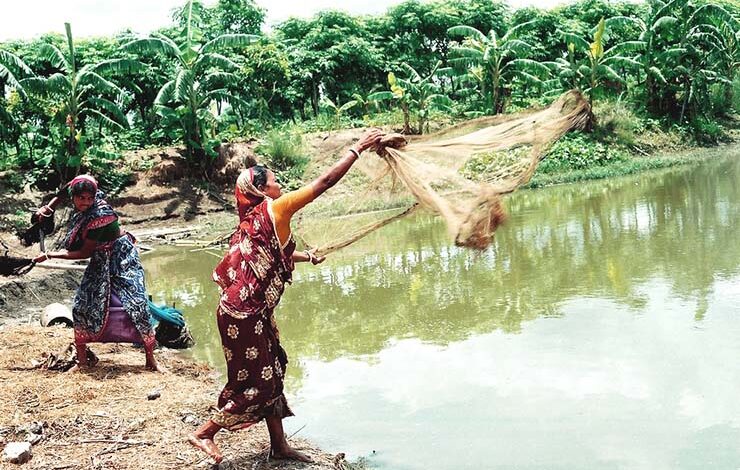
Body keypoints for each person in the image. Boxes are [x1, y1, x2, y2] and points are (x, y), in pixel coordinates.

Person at [188, 129, 385, 463]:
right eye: (275, 181)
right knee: (259, 383)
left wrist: (306, 257)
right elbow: (323, 184)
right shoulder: (275, 210)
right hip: (243, 313)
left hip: (246, 311)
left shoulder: (252, 220)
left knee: (272, 370)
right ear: (262, 190)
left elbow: (267, 255)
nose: (280, 185)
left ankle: (279, 446)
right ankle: (204, 433)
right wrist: (359, 147)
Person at [32, 175, 161, 372]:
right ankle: (82, 362)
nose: (85, 202)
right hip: (101, 256)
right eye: (80, 198)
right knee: (83, 306)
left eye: (89, 199)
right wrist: (49, 207)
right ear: (73, 196)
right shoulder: (80, 190)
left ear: (94, 197)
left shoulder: (101, 217)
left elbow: (84, 252)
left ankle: (151, 361)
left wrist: (49, 255)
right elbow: (67, 187)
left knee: (136, 305)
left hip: (120, 256)